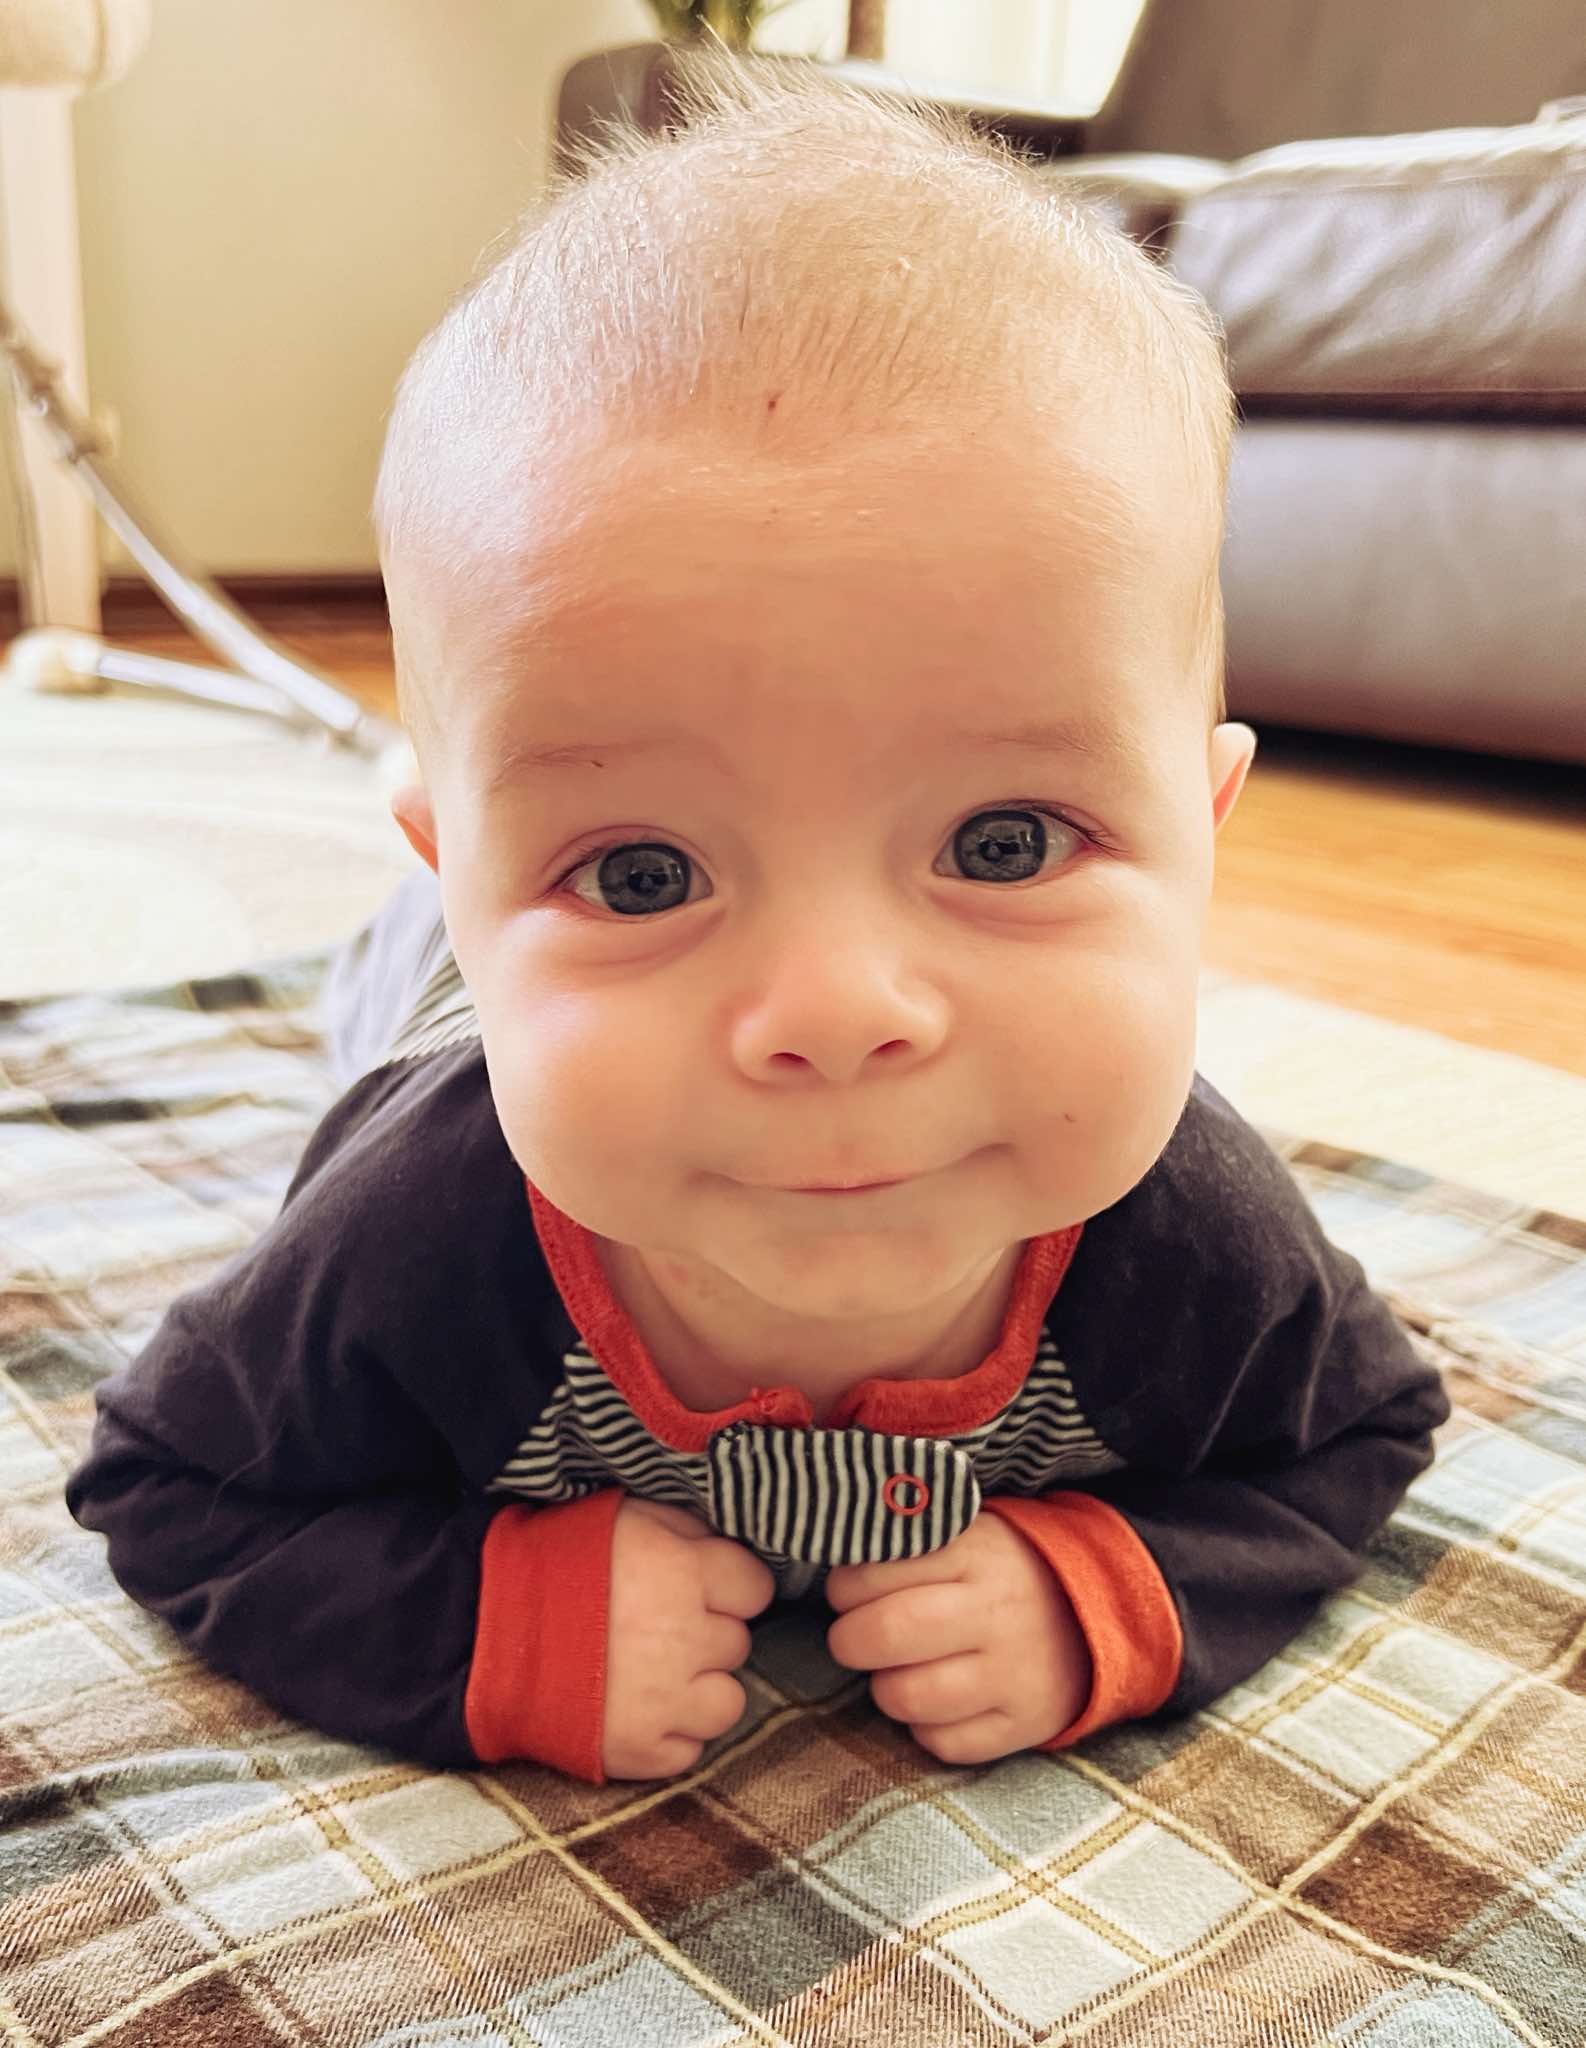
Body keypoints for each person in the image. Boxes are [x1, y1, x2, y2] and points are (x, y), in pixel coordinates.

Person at [65, 56, 1450, 1786]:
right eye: (638, 875)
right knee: (391, 1019)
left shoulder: (1194, 1245)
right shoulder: (413, 1243)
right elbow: (169, 1481)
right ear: (466, 882)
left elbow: (1359, 1431)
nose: (835, 1009)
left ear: (1205, 834)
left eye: (1005, 843)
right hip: (429, 1019)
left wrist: (1115, 1583)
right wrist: (486, 1623)